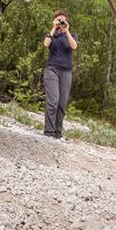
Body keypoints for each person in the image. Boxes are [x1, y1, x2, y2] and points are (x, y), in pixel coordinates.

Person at [42, 10, 77, 139]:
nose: (61, 22)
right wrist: (53, 28)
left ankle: (58, 132)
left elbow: (74, 46)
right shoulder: (52, 35)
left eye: (63, 20)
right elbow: (46, 44)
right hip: (52, 69)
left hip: (66, 71)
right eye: (59, 19)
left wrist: (66, 31)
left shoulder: (72, 35)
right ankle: (49, 131)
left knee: (62, 103)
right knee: (53, 100)